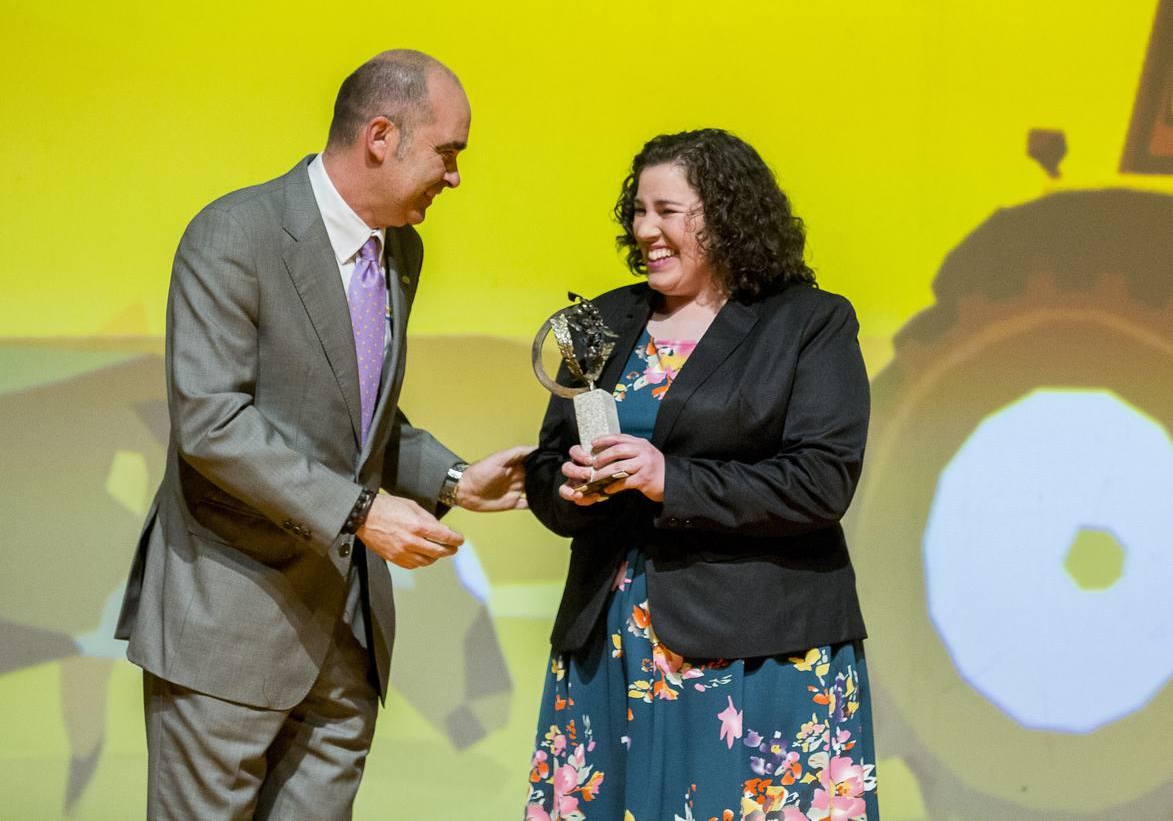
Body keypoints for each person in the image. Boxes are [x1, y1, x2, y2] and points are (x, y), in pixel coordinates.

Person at [115, 49, 531, 819]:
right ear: (381, 136)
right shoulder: (235, 235)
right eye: (448, 152)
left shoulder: (400, 249)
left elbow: (354, 421)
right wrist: (361, 514)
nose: (455, 176)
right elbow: (213, 422)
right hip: (228, 628)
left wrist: (454, 481)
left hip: (344, 641)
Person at [523, 129, 878, 820]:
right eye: (638, 210)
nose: (644, 230)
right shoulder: (599, 320)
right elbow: (545, 464)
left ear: (725, 216)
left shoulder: (806, 322)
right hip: (612, 640)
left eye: (666, 211)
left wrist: (667, 478)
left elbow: (820, 481)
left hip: (759, 651)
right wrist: (568, 487)